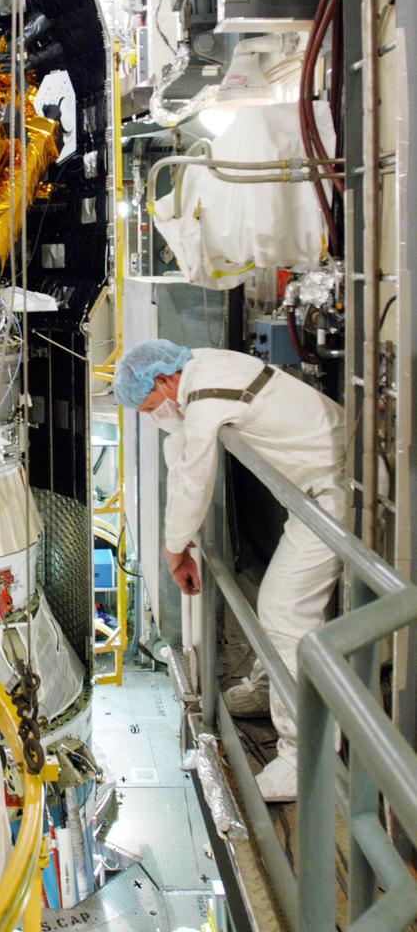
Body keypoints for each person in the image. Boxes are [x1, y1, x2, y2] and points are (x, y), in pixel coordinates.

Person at [115, 339, 347, 802]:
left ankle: (305, 762)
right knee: (279, 611)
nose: (151, 415)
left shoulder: (205, 393)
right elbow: (179, 456)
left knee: (284, 611)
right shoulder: (201, 370)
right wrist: (174, 545)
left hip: (335, 492)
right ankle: (272, 688)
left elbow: (196, 475)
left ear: (163, 380)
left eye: (149, 406)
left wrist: (174, 548)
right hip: (314, 491)